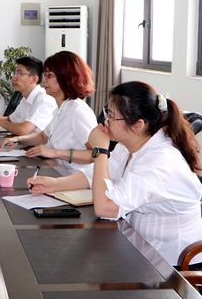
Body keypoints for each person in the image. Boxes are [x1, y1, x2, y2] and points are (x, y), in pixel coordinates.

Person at [28, 81, 202, 266]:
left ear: (138, 125)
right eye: (107, 112)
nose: (105, 121)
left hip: (171, 261)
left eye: (111, 116)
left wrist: (101, 150)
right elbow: (97, 174)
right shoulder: (131, 144)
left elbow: (106, 208)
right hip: (139, 242)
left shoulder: (158, 161)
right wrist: (55, 184)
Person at [0, 51, 97, 172]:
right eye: (44, 75)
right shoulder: (60, 108)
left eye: (49, 76)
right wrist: (17, 140)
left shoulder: (78, 111)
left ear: (66, 77)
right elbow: (43, 136)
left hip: (74, 177)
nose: (43, 80)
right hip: (56, 171)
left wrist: (55, 152)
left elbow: (96, 154)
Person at [0, 56, 56, 135]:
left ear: (34, 79)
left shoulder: (44, 100)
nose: (14, 77)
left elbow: (23, 130)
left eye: (20, 74)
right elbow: (10, 120)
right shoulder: (25, 98)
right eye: (15, 73)